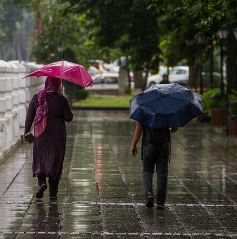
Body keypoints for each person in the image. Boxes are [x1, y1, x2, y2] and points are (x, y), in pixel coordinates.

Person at [23, 76, 73, 200]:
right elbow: (69, 118)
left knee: (41, 160)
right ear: (58, 85)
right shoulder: (61, 100)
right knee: (55, 162)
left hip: (41, 136)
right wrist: (64, 102)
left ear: (46, 83)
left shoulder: (37, 98)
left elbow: (29, 118)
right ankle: (53, 195)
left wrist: (26, 132)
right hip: (57, 137)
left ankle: (42, 183)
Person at [131, 122, 177, 209]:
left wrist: (134, 144)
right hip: (164, 144)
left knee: (147, 171)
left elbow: (139, 128)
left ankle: (149, 194)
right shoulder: (168, 109)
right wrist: (170, 129)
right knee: (162, 173)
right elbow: (174, 128)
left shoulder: (144, 108)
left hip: (148, 144)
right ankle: (160, 202)